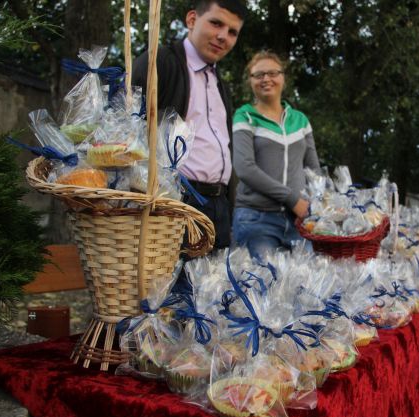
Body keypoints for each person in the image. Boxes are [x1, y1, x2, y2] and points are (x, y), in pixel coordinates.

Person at [131, 0, 247, 249]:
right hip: (175, 202)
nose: (222, 36)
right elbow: (122, 123)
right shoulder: (159, 62)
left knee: (214, 287)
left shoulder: (220, 84)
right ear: (192, 19)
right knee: (172, 286)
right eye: (216, 23)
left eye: (232, 32)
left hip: (219, 206)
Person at [232, 51, 321, 259]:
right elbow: (245, 168)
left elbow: (314, 172)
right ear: (250, 81)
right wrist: (292, 199)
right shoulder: (245, 116)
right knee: (263, 285)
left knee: (308, 286)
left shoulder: (300, 120)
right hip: (256, 218)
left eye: (272, 73)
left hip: (300, 221)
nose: (266, 79)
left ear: (283, 78)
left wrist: (318, 206)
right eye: (258, 75)